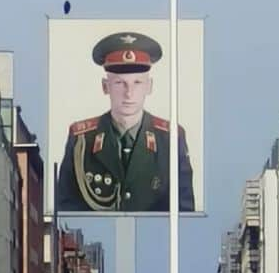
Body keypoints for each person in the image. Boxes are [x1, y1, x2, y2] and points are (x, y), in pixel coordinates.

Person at [56, 31, 195, 212]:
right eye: (120, 83)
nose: (129, 93)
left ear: (149, 86)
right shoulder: (82, 139)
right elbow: (66, 206)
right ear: (105, 87)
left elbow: (184, 210)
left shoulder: (170, 139)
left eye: (137, 83)